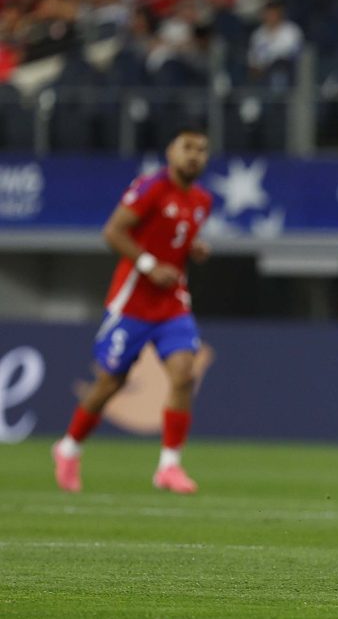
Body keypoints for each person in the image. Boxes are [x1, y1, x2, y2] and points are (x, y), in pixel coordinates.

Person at [51, 128, 213, 495]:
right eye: (187, 147)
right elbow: (113, 232)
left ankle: (169, 467)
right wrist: (148, 264)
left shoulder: (203, 200)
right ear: (171, 151)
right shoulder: (150, 187)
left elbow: (174, 239)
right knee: (111, 383)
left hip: (173, 303)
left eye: (202, 150)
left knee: (184, 375)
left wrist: (194, 249)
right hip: (133, 303)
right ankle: (68, 447)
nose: (194, 156)